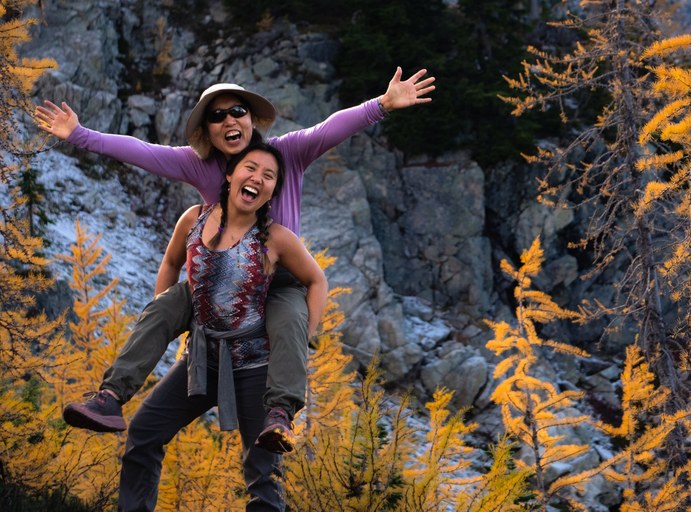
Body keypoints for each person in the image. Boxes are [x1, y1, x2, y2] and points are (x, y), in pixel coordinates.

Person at [35, 67, 435, 452]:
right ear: (208, 131)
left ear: (251, 118)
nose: (229, 119)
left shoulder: (285, 154)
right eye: (217, 115)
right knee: (165, 307)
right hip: (218, 278)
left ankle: (280, 412)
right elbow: (142, 152)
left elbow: (330, 128)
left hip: (276, 279)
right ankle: (109, 397)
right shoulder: (200, 165)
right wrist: (80, 135)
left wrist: (381, 104)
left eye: (237, 111)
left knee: (289, 316)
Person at [118, 139, 326, 511]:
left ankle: (280, 415)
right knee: (144, 433)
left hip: (255, 368)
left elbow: (316, 280)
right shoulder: (195, 217)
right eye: (250, 168)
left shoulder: (277, 238)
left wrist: (302, 338)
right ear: (229, 175)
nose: (257, 179)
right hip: (201, 361)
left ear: (273, 192)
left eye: (269, 176)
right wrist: (169, 313)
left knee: (263, 474)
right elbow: (170, 264)